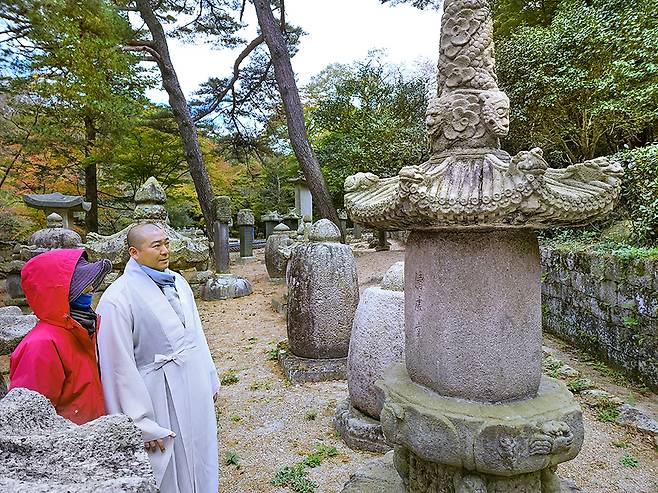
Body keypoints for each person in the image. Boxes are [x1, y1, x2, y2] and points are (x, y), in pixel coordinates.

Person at [96, 223, 220, 493]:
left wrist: (209, 376)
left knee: (201, 451)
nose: (165, 251)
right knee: (169, 465)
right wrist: (139, 422)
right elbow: (117, 364)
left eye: (167, 243)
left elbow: (196, 334)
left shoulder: (179, 282)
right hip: (155, 391)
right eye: (157, 246)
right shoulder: (117, 297)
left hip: (192, 379)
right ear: (134, 252)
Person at [9, 249, 112, 424]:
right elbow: (30, 419)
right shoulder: (42, 344)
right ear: (59, 291)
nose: (90, 290)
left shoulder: (81, 329)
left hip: (91, 439)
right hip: (66, 444)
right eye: (81, 285)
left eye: (90, 284)